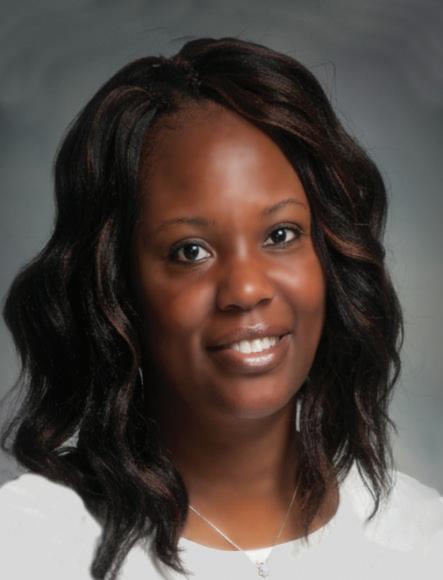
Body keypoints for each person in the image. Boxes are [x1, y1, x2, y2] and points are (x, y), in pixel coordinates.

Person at [0, 36, 441, 580]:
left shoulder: (424, 543)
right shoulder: (28, 546)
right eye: (191, 251)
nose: (247, 289)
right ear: (116, 285)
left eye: (281, 234)